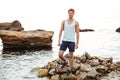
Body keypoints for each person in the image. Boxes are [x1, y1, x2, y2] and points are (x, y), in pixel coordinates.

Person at [58, 8, 80, 75]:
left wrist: (77, 43)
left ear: (73, 14)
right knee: (60, 54)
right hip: (64, 40)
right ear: (68, 13)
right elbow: (61, 31)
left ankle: (70, 68)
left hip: (72, 41)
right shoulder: (63, 22)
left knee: (71, 55)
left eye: (72, 13)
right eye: (69, 13)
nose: (70, 14)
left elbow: (78, 33)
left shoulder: (76, 22)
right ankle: (65, 61)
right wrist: (59, 40)